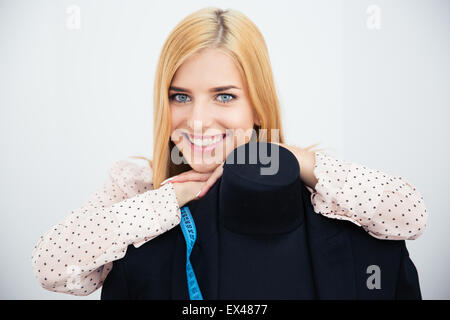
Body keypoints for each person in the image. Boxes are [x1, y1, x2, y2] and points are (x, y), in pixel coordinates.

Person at [31, 7, 428, 296]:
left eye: (224, 96)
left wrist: (294, 159)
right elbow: (51, 268)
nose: (199, 120)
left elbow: (410, 216)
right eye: (180, 96)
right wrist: (171, 196)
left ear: (257, 104)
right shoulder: (139, 187)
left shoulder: (317, 188)